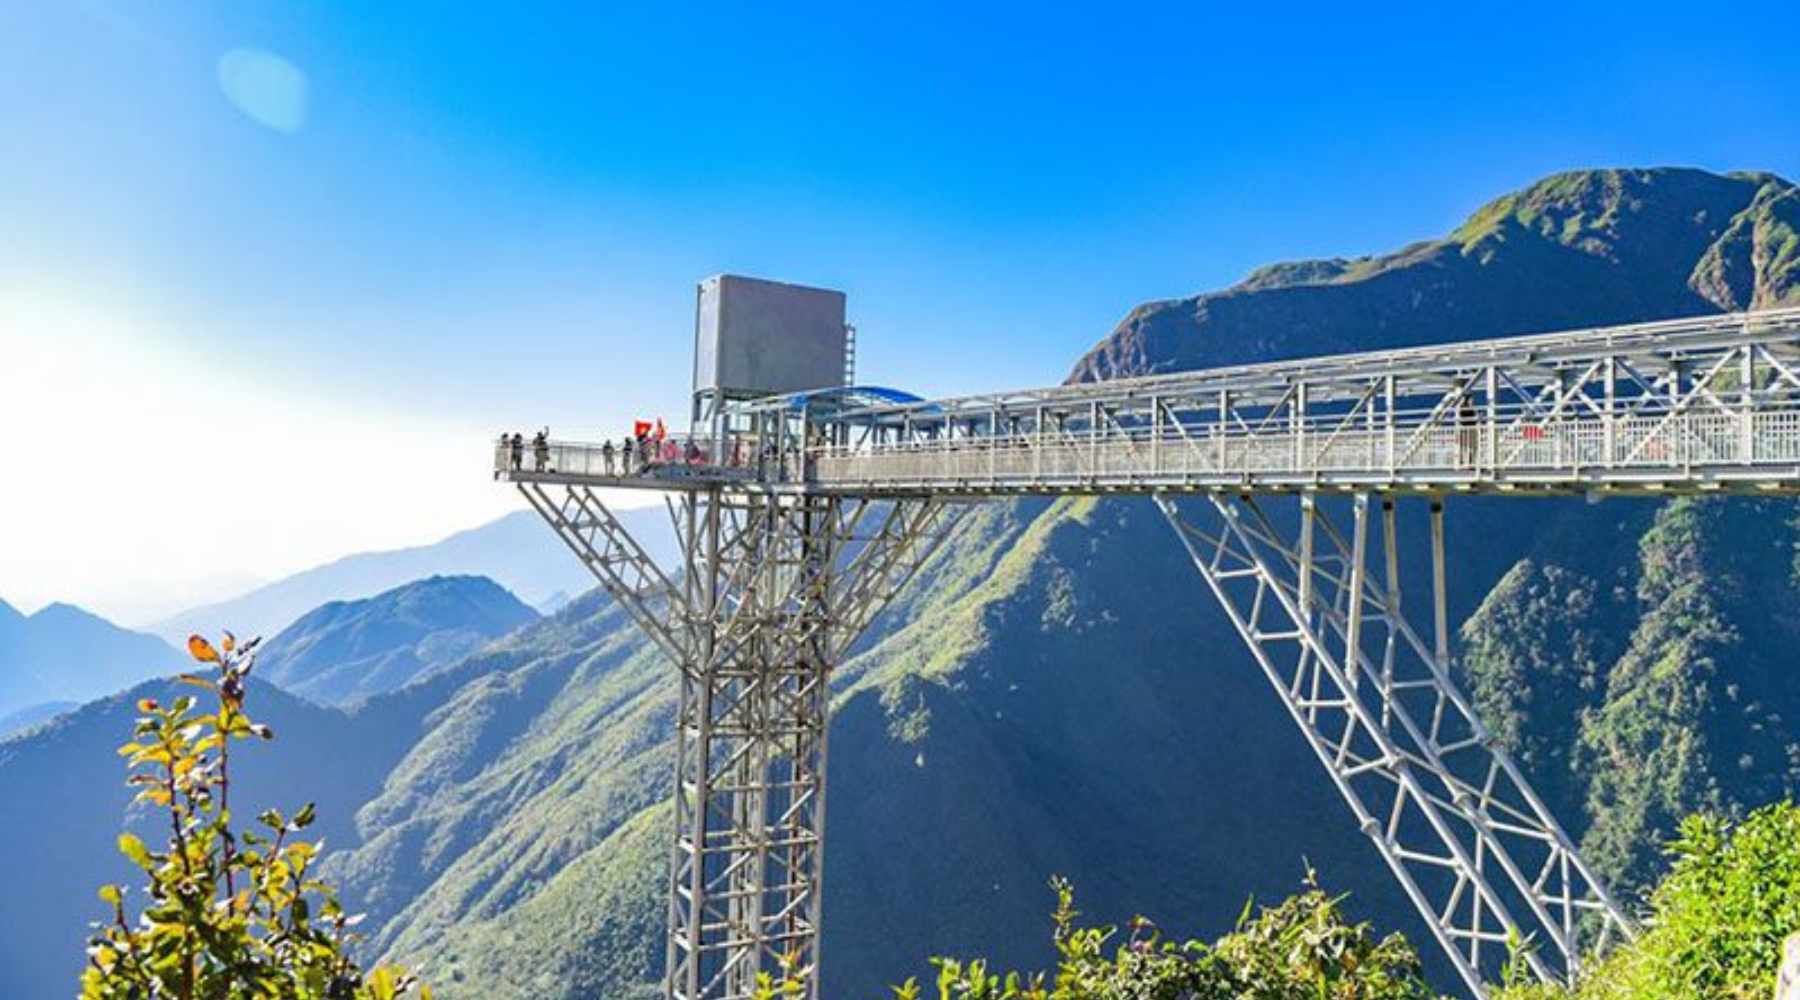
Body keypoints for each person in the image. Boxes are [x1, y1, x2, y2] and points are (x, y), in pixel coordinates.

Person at [1457, 394, 1478, 469]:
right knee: (1466, 447)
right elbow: (1463, 419)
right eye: (1471, 399)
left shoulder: (1471, 408)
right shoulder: (1463, 408)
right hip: (1466, 429)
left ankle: (1471, 463)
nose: (1473, 401)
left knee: (1472, 447)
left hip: (1471, 429)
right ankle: (1464, 463)